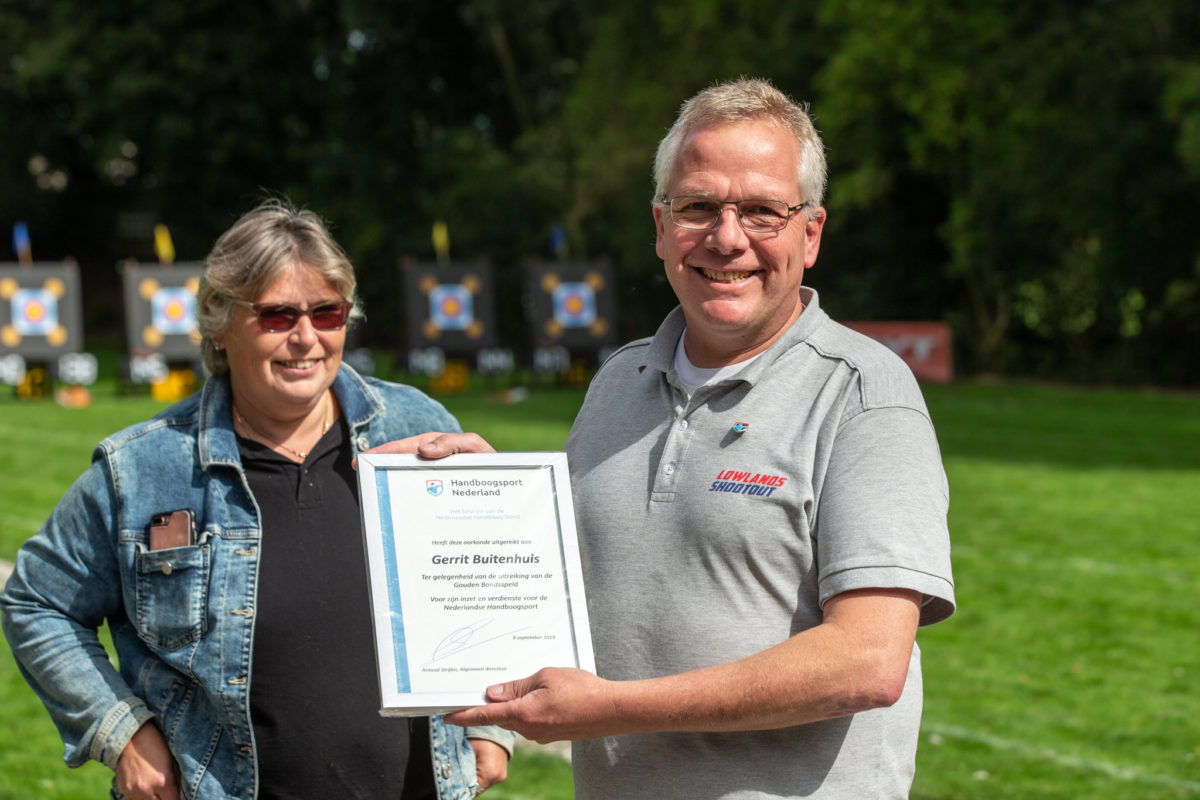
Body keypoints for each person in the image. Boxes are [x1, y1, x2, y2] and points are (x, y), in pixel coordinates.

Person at [433, 78, 956, 798]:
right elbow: (575, 579)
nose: (727, 237)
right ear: (659, 226)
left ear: (811, 234)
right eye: (699, 206)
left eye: (763, 211)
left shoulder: (864, 394)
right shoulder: (617, 381)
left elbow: (866, 662)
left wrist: (612, 709)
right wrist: (487, 502)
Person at [1, 200, 512, 800]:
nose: (306, 338)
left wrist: (496, 723)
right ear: (218, 321)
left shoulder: (420, 424)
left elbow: (489, 582)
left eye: (328, 313)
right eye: (276, 316)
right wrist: (123, 732)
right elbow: (39, 602)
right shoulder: (142, 467)